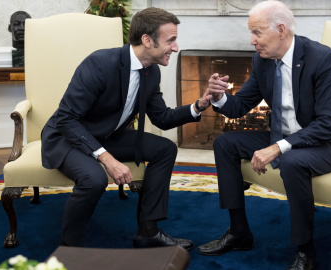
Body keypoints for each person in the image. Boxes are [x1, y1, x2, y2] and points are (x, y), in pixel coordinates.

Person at [197, 1, 331, 269]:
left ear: (281, 29)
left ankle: (306, 251)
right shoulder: (262, 60)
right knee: (224, 143)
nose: (252, 41)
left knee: (291, 161)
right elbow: (240, 106)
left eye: (256, 33)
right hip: (288, 135)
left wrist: (278, 147)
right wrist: (219, 98)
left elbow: (329, 123)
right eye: (251, 33)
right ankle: (239, 232)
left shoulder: (322, 58)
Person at [41, 7, 211, 249]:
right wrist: (107, 158)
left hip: (109, 135)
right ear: (147, 40)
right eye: (171, 40)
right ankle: (70, 248)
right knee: (94, 179)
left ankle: (148, 232)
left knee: (165, 149)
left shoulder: (151, 71)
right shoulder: (100, 63)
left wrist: (199, 105)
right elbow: (67, 119)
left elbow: (161, 117)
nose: (175, 47)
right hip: (68, 137)